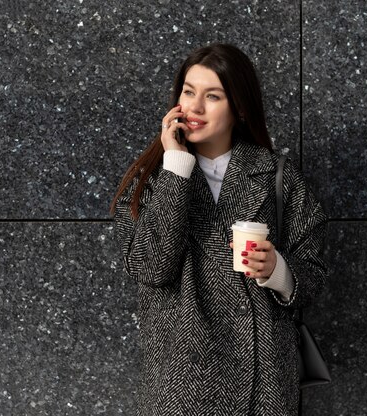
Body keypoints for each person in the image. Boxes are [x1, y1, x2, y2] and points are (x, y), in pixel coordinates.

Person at [109, 43, 327, 416]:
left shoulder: (277, 177)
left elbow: (314, 276)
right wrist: (176, 165)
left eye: (212, 96)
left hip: (265, 379)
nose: (194, 107)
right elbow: (150, 268)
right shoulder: (149, 179)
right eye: (188, 92)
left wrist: (277, 271)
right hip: (179, 380)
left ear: (239, 107)